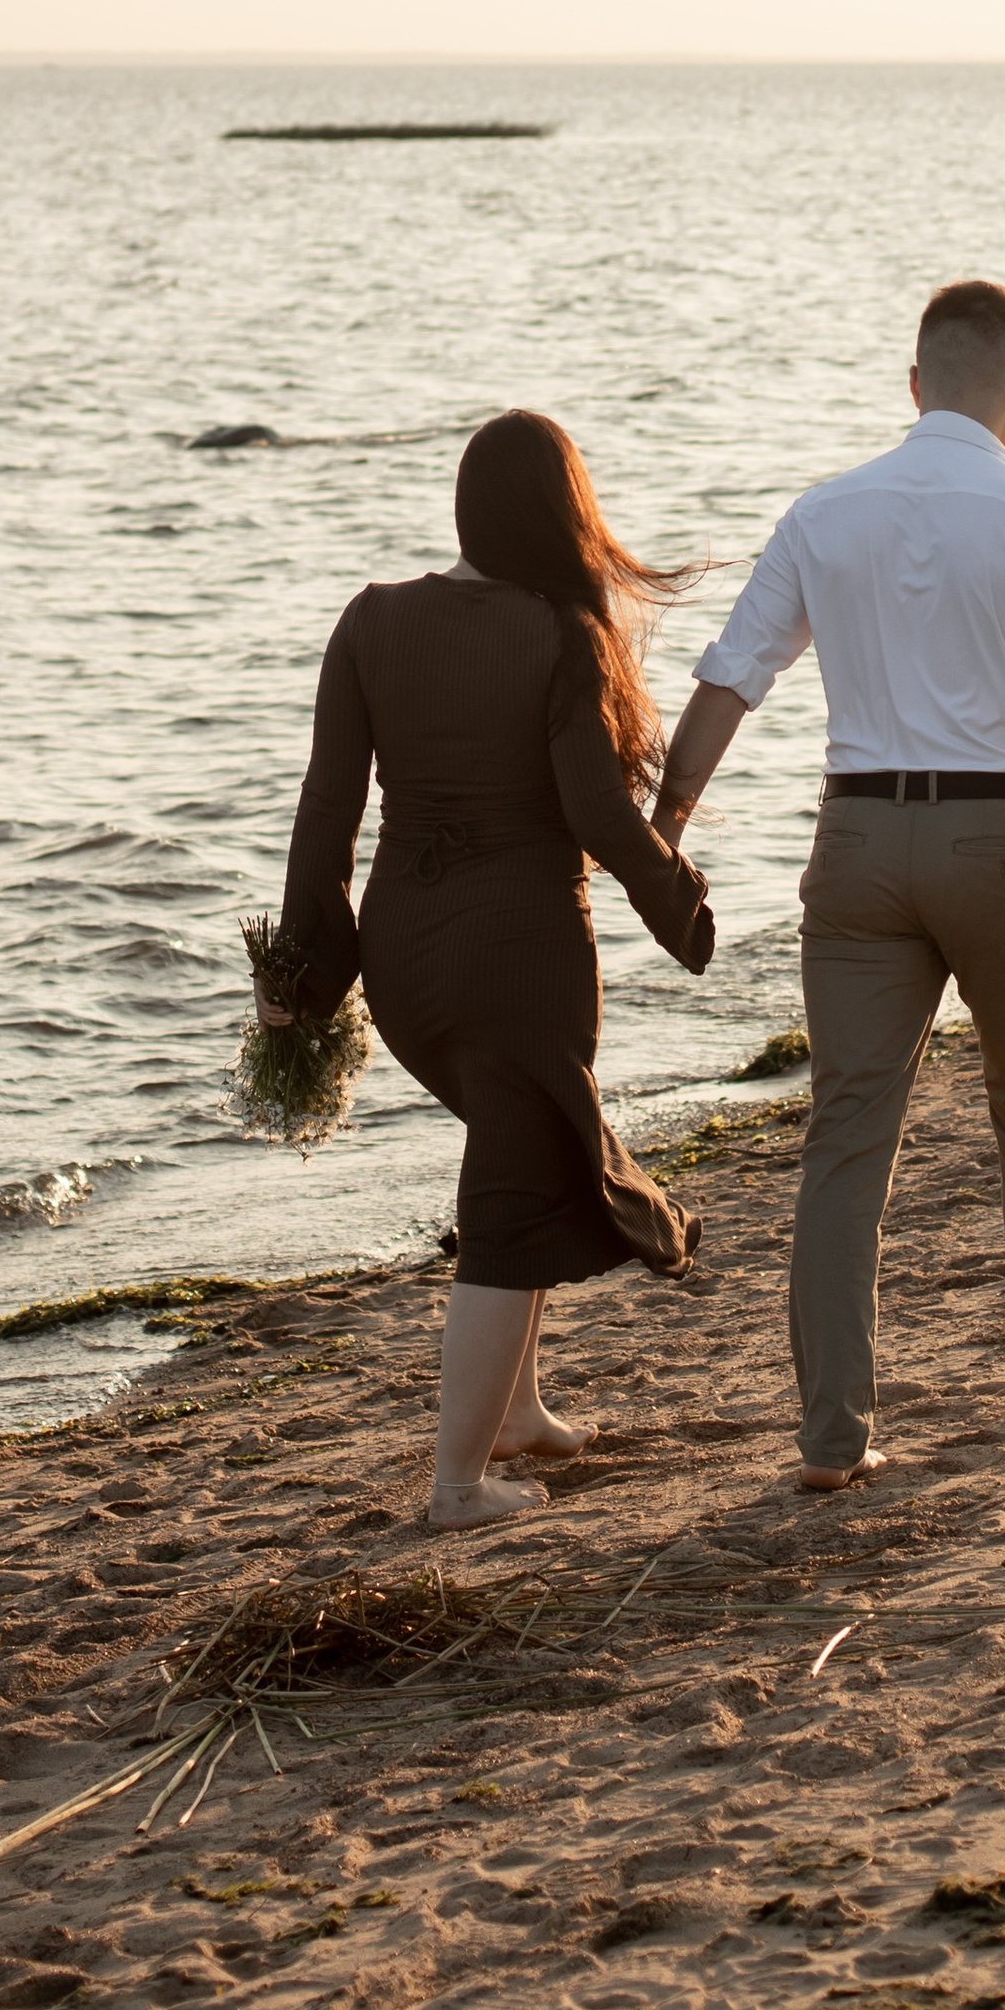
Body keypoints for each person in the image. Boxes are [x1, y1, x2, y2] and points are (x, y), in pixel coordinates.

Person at [653, 278, 1005, 1490]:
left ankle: (833, 1436)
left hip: (859, 848)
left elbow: (731, 677)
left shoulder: (825, 515)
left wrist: (666, 824)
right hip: (997, 841)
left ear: (914, 382)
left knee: (846, 1140)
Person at [271, 412, 714, 1530]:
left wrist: (302, 975)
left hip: (406, 964)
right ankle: (457, 1484)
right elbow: (593, 812)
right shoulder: (562, 632)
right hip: (520, 956)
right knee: (510, 1190)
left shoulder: (371, 621)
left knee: (514, 1157)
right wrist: (679, 900)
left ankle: (519, 1413)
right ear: (567, 514)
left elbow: (327, 806)